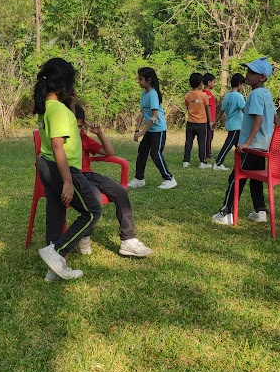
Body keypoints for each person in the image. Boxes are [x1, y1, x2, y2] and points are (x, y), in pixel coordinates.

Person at [34, 58, 101, 282]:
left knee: (55, 212)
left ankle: (52, 270)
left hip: (45, 164)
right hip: (63, 168)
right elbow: (57, 145)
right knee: (92, 211)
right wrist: (68, 181)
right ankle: (58, 253)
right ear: (64, 84)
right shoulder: (59, 111)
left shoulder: (47, 108)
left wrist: (71, 105)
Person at [71, 105, 153, 260]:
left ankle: (128, 239)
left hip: (89, 175)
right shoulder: (62, 139)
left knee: (120, 192)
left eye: (80, 126)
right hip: (75, 177)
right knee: (94, 198)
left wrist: (100, 133)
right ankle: (84, 236)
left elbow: (110, 152)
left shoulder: (83, 138)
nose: (77, 130)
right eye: (73, 127)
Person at [211, 57, 277, 225]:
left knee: (236, 178)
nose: (247, 74)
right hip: (264, 146)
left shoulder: (255, 94)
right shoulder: (266, 93)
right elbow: (276, 119)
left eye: (252, 72)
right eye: (248, 71)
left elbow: (259, 120)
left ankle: (226, 212)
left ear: (262, 77)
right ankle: (260, 210)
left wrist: (246, 143)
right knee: (256, 179)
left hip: (252, 146)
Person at [131, 67, 177, 190]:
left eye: (140, 79)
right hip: (150, 130)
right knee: (142, 152)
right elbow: (141, 113)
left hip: (158, 130)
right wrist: (137, 130)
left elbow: (154, 116)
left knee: (155, 154)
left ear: (149, 80)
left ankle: (169, 179)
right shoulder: (144, 94)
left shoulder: (153, 94)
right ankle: (139, 179)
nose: (138, 81)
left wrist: (143, 131)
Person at [213, 73, 246, 171]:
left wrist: (215, 121)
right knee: (228, 145)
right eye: (242, 85)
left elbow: (221, 110)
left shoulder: (228, 95)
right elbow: (245, 110)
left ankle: (244, 164)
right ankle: (218, 163)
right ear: (239, 83)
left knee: (240, 146)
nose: (243, 87)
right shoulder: (238, 96)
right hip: (237, 126)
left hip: (231, 124)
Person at [183, 73, 212, 168]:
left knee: (188, 142)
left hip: (190, 122)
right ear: (200, 83)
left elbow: (187, 106)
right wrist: (210, 121)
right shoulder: (204, 95)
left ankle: (186, 161)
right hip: (202, 123)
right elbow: (207, 109)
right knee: (202, 143)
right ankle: (202, 162)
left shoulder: (187, 95)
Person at [202, 72, 217, 160]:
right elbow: (208, 108)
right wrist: (211, 121)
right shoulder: (207, 94)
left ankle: (207, 152)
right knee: (208, 137)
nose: (214, 84)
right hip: (208, 120)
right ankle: (208, 153)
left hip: (209, 119)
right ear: (209, 82)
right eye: (214, 82)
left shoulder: (203, 93)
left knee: (209, 136)